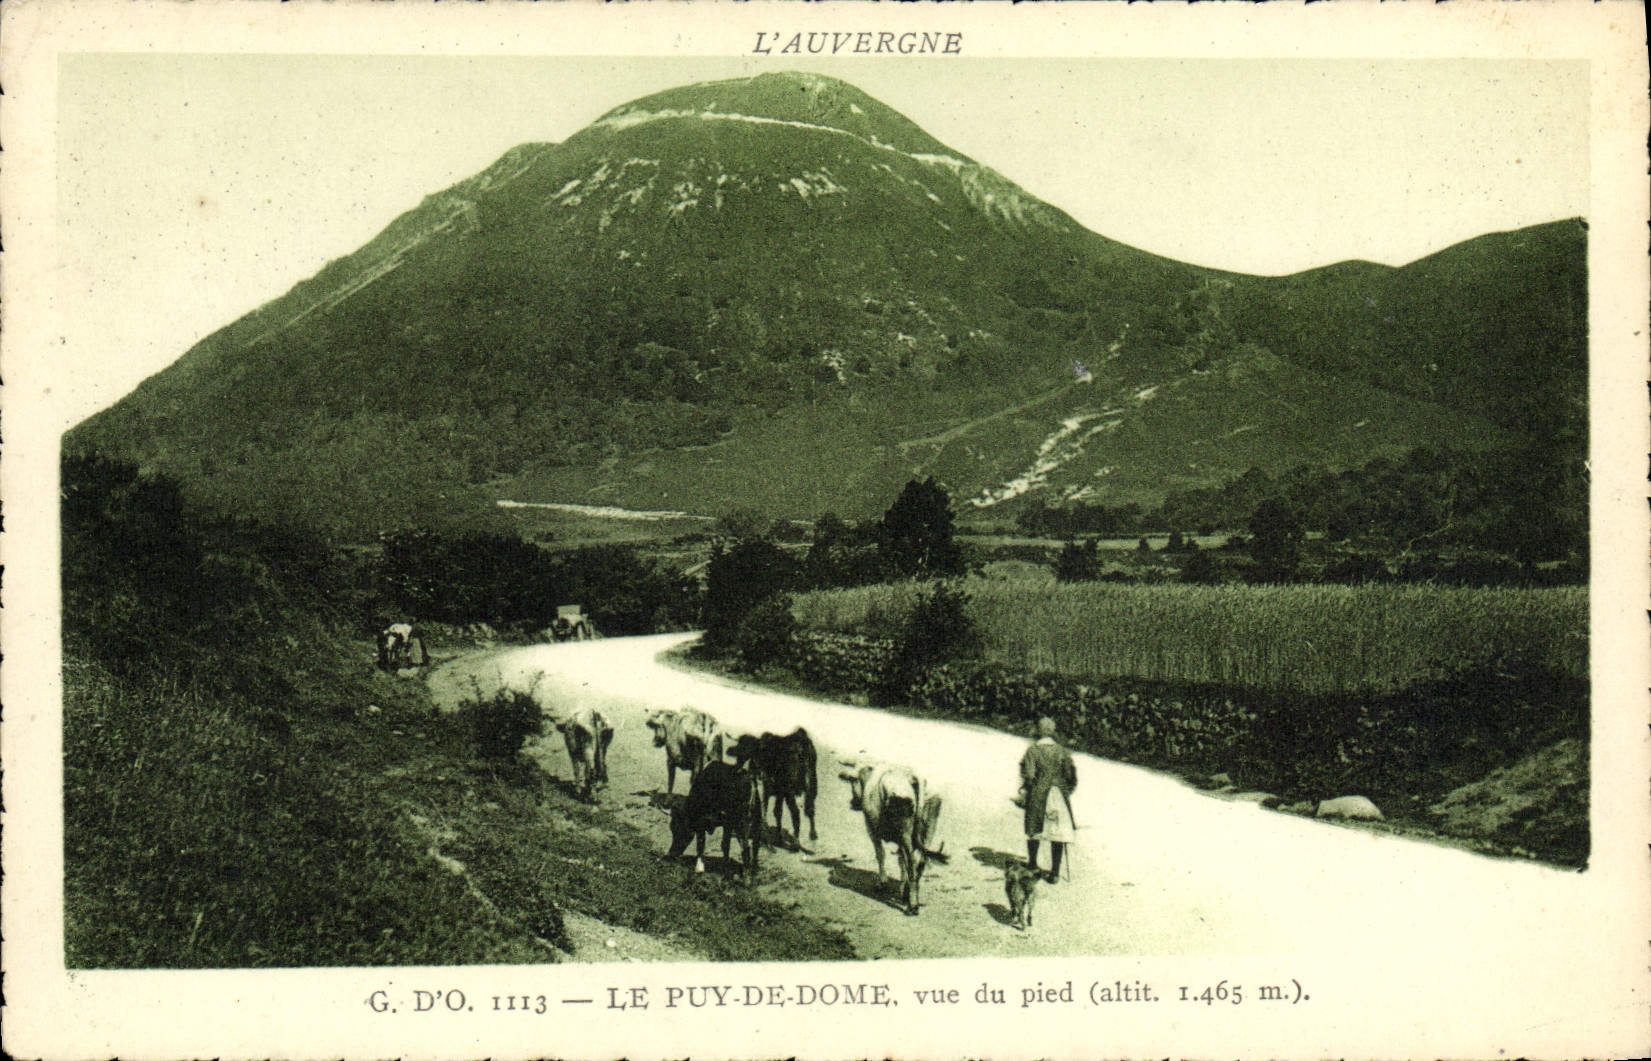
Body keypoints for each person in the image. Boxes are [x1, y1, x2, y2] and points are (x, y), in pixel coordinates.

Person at [1018, 716, 1077, 883]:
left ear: (1038, 731)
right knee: (1058, 831)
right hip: (1059, 794)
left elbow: (1029, 775)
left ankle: (1033, 864)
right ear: (1052, 732)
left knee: (1034, 828)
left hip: (1039, 792)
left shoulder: (1033, 751)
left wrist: (1027, 788)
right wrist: (1065, 789)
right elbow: (1070, 774)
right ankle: (1055, 873)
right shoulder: (1062, 751)